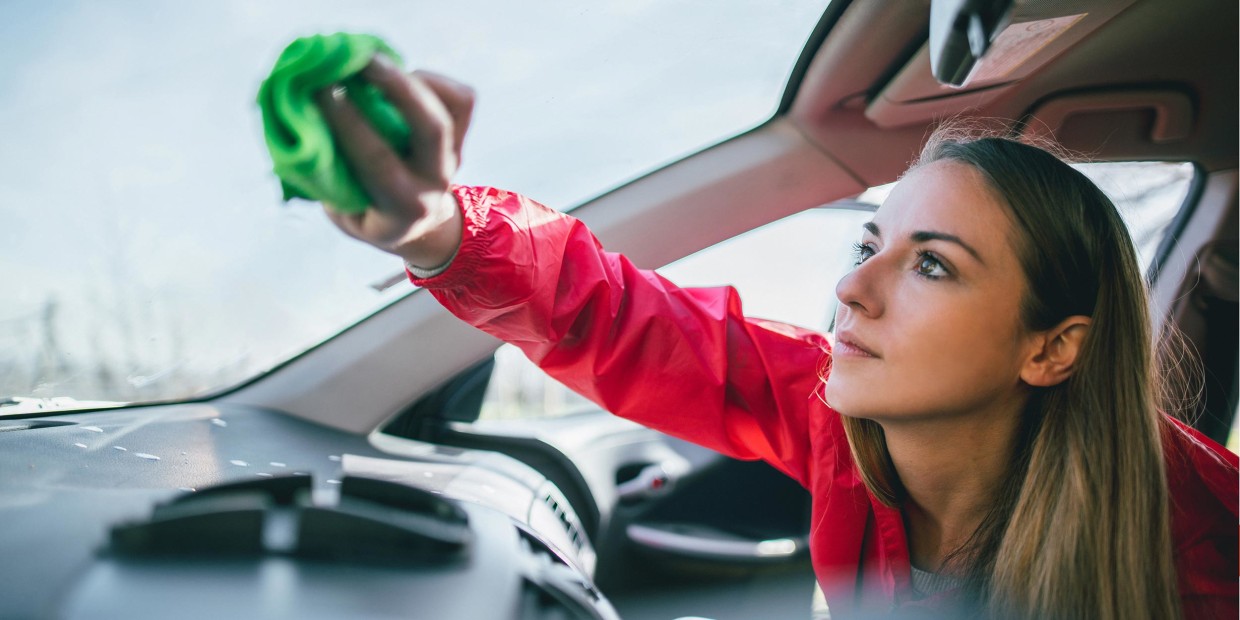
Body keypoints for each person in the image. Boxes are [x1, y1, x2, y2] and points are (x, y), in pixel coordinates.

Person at [312, 57, 1238, 619]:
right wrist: (435, 229)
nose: (850, 288)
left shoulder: (1205, 546)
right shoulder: (833, 413)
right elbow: (623, 319)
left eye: (933, 266)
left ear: (1052, 349)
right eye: (871, 244)